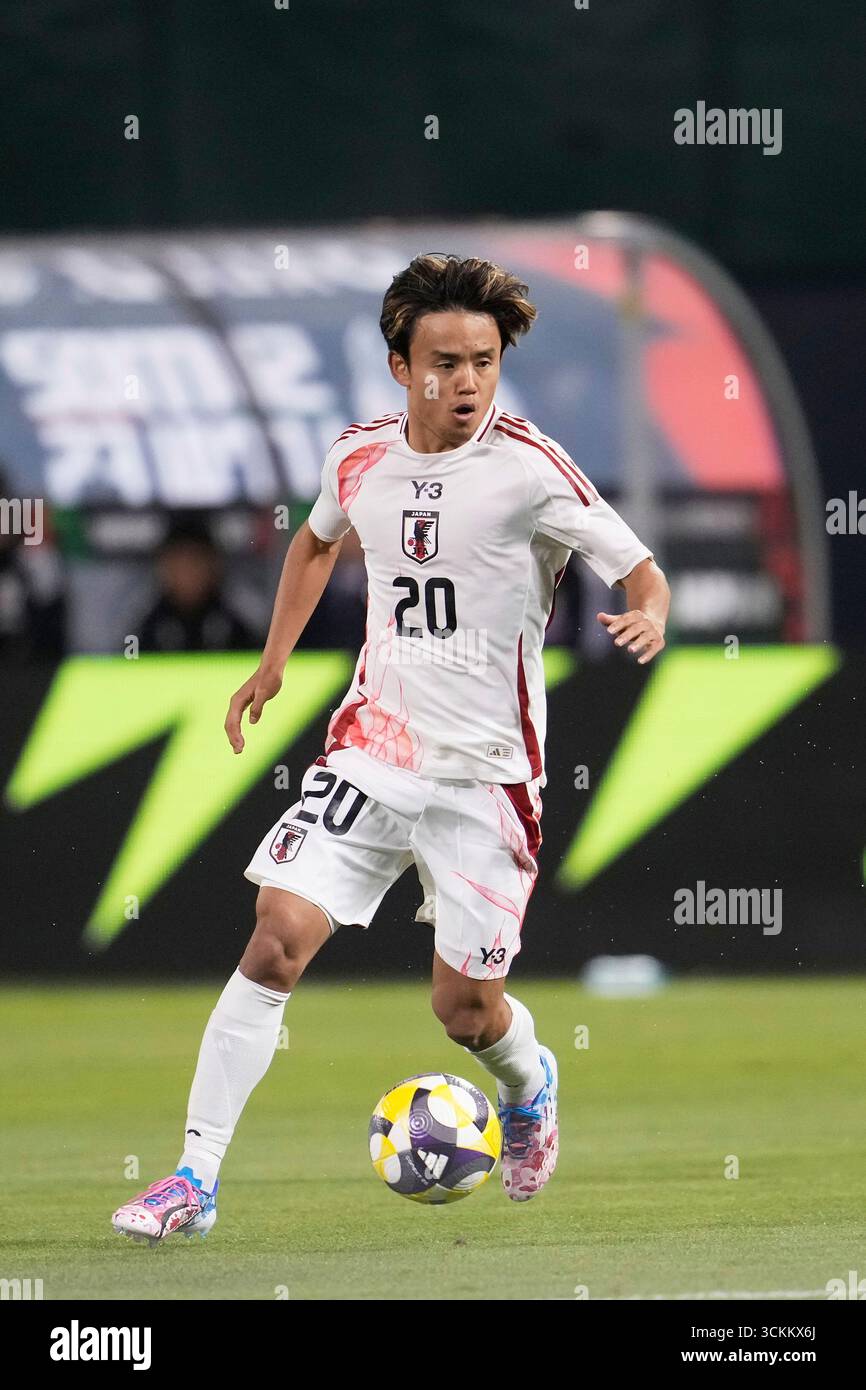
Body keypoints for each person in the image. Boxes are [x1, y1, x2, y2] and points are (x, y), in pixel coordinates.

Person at [112, 253, 669, 1243]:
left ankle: (529, 1082)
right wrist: (274, 660)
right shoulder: (358, 457)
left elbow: (637, 567)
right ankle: (192, 1179)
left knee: (461, 1010)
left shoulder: (528, 469)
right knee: (276, 933)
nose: (465, 383)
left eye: (484, 362)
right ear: (397, 363)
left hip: (485, 781)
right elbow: (317, 541)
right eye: (444, 362)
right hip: (370, 752)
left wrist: (650, 612)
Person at [136, 513, 259, 652]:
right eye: (179, 564)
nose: (188, 573)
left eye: (195, 562)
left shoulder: (236, 628)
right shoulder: (148, 630)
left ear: (213, 565)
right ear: (164, 567)